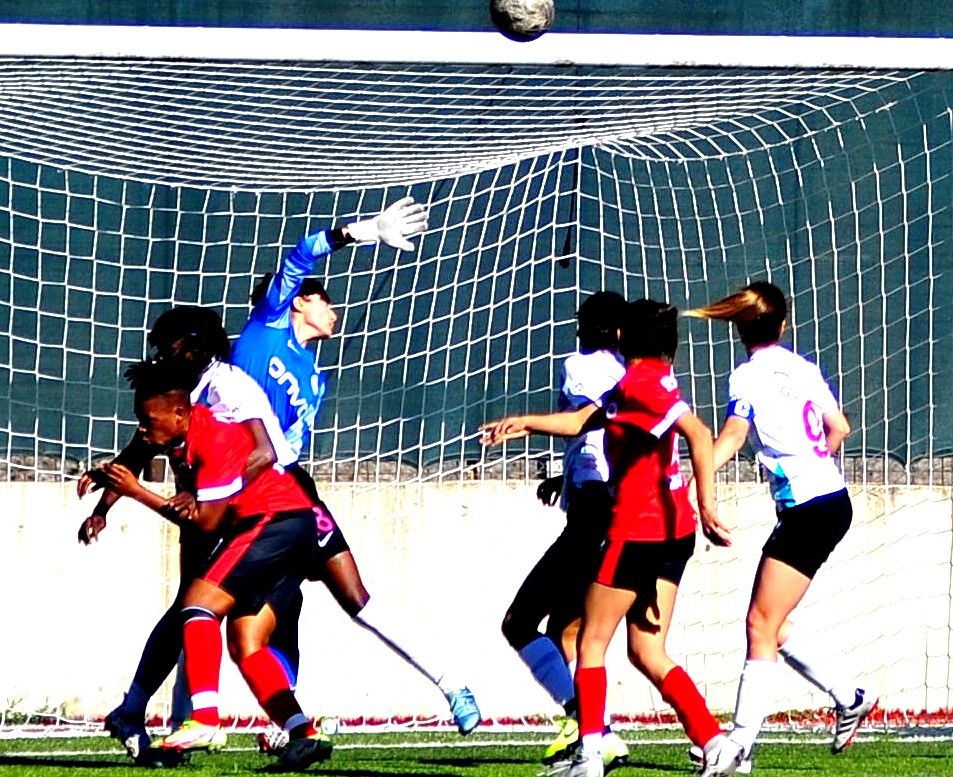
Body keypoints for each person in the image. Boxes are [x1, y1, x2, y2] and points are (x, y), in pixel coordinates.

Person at [230, 196, 482, 739]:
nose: (333, 308)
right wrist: (365, 231)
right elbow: (300, 255)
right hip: (247, 496)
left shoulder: (314, 377)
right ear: (296, 304)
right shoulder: (268, 325)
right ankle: (274, 719)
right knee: (253, 621)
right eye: (323, 299)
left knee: (356, 598)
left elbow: (291, 446)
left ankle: (450, 682)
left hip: (293, 494)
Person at [483, 299, 741, 777]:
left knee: (589, 643)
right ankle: (716, 742)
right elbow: (584, 421)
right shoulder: (649, 379)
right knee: (646, 651)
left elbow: (700, 435)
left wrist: (709, 502)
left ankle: (589, 757)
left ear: (623, 337)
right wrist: (527, 423)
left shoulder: (641, 384)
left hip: (636, 532)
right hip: (673, 533)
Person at [77, 306, 299, 763]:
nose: (160, 352)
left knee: (254, 620)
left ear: (196, 347)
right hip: (212, 509)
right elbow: (146, 440)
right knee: (193, 609)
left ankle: (270, 722)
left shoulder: (227, 387)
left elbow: (265, 451)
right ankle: (172, 715)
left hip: (257, 512)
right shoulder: (179, 390)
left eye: (169, 345)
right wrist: (104, 505)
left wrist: (214, 499)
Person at [684, 282, 877, 770]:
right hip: (830, 499)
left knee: (759, 623)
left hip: (811, 507)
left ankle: (739, 747)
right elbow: (839, 428)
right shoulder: (804, 368)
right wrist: (811, 463)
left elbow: (731, 436)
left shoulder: (747, 376)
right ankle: (848, 695)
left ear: (740, 330)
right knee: (774, 623)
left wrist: (698, 473)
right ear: (783, 325)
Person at [499, 291, 629, 770]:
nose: (582, 331)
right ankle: (596, 730)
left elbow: (584, 419)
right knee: (568, 631)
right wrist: (566, 476)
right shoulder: (630, 374)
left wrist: (526, 424)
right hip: (616, 509)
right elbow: (603, 435)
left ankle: (592, 726)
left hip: (593, 516)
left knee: (519, 623)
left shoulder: (581, 364)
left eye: (589, 324)